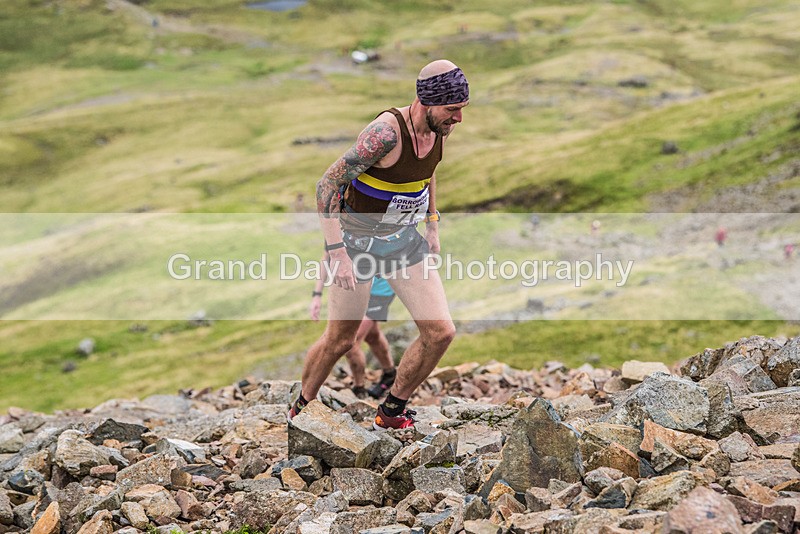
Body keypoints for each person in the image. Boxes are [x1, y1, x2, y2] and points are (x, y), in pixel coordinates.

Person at [289, 59, 468, 430]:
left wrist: (432, 223)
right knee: (341, 340)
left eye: (463, 109)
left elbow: (428, 172)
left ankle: (391, 411)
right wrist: (336, 252)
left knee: (440, 332)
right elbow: (327, 185)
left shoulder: (440, 129)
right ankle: (301, 407)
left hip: (403, 242)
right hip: (356, 245)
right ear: (426, 101)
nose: (459, 119)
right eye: (452, 109)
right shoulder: (385, 134)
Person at [309, 255, 397, 399]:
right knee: (372, 335)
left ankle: (359, 388)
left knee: (352, 341)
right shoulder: (333, 239)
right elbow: (327, 257)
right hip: (356, 287)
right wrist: (317, 295)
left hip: (379, 290)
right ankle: (390, 374)